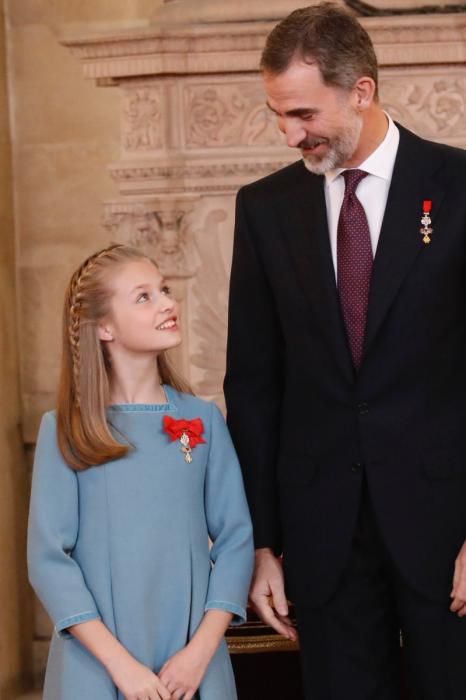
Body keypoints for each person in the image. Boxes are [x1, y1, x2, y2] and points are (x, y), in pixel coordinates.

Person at [224, 4, 466, 699]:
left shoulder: (459, 188)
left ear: (360, 90)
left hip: (445, 535)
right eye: (277, 114)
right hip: (322, 540)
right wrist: (261, 545)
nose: (288, 133)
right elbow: (254, 384)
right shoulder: (265, 208)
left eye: (302, 113)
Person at [28, 244, 254, 700]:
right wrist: (121, 667)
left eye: (165, 290)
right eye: (144, 296)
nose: (169, 303)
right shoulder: (65, 430)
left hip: (192, 663)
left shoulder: (203, 419)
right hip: (96, 665)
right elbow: (49, 561)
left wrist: (201, 652)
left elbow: (235, 540)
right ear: (104, 327)